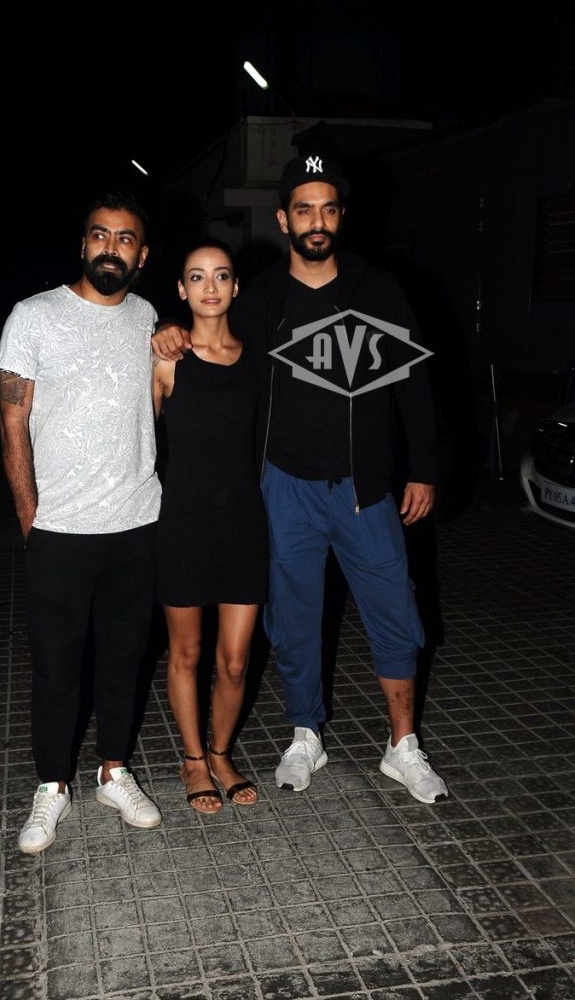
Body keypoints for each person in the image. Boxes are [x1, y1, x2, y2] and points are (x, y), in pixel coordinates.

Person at [152, 155, 448, 805]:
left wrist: (423, 466)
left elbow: (413, 382)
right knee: (293, 618)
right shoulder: (261, 298)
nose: (317, 221)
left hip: (365, 487)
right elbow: (210, 331)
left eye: (328, 208)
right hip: (283, 486)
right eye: (303, 209)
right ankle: (305, 732)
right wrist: (168, 329)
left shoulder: (379, 289)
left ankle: (403, 745)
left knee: (395, 613)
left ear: (340, 217)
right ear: (284, 219)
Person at [0, 190, 163, 854]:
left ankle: (114, 772)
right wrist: (29, 517)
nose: (111, 248)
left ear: (142, 256)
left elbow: (156, 404)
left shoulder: (147, 317)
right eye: (100, 235)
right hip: (60, 529)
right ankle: (51, 785)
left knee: (124, 659)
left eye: (125, 239)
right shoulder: (33, 316)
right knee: (57, 667)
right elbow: (11, 421)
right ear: (83, 244)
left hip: (137, 523)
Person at [153, 239, 267, 813]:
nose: (210, 286)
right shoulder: (166, 361)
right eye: (196, 277)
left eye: (221, 275)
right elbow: (135, 440)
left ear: (235, 287)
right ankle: (193, 759)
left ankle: (221, 753)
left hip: (244, 524)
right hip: (183, 524)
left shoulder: (257, 360)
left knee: (235, 660)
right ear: (181, 289)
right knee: (187, 652)